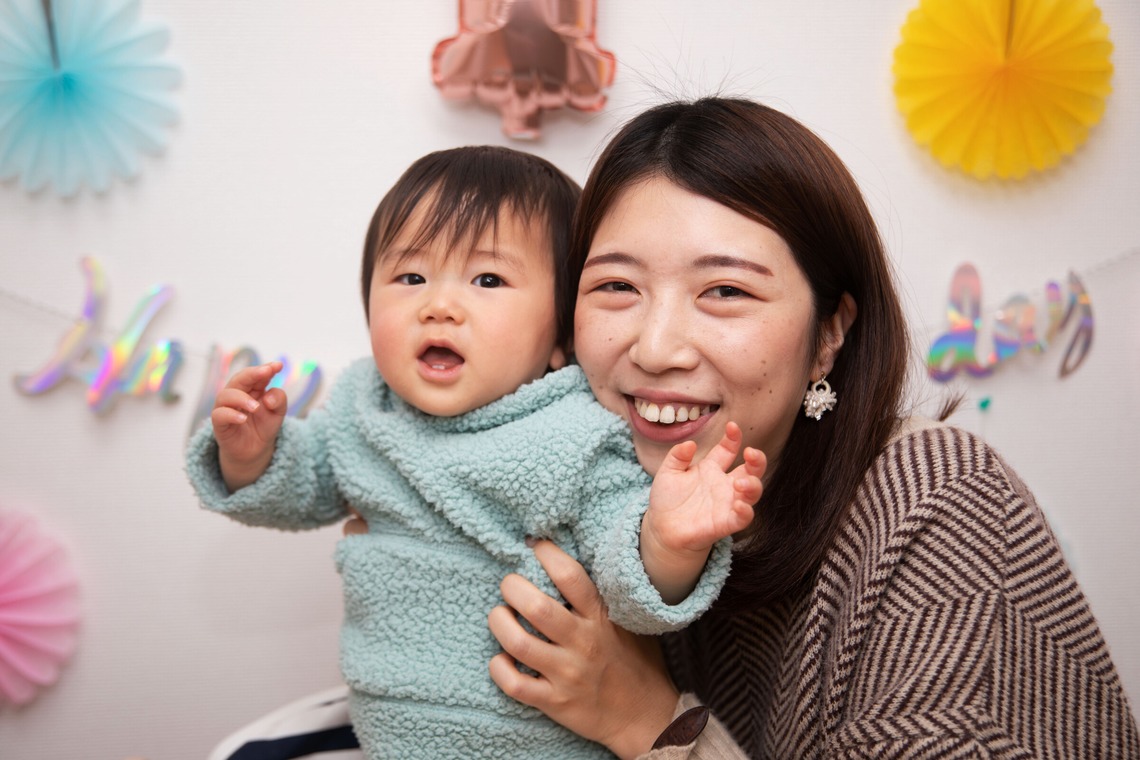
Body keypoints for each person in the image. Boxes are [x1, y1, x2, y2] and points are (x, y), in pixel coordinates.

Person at [209, 98, 1140, 759]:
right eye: (614, 288)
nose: (655, 348)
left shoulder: (933, 500)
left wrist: (646, 721)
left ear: (830, 334)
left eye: (725, 292)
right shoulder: (604, 487)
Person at [186, 145, 763, 760]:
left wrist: (670, 540)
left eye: (487, 280)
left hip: (537, 737)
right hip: (388, 725)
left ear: (561, 334)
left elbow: (629, 579)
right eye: (410, 277)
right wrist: (251, 456)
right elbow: (302, 487)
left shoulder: (574, 434)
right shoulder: (364, 406)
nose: (439, 305)